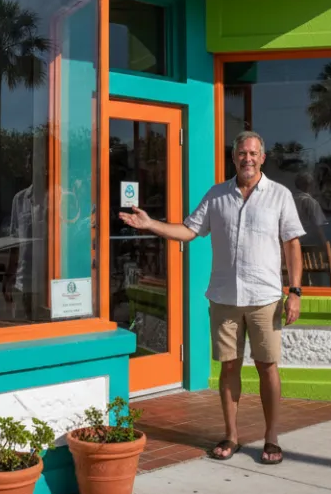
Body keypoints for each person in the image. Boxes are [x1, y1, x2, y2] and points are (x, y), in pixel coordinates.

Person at [119, 130, 304, 465]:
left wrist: (295, 291)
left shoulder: (279, 196)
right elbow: (189, 231)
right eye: (241, 153)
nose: (247, 158)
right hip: (224, 296)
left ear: (262, 157)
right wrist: (151, 225)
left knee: (267, 366)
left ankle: (272, 438)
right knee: (229, 366)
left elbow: (292, 244)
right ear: (233, 158)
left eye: (253, 153)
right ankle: (231, 436)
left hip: (265, 297)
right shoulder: (217, 196)